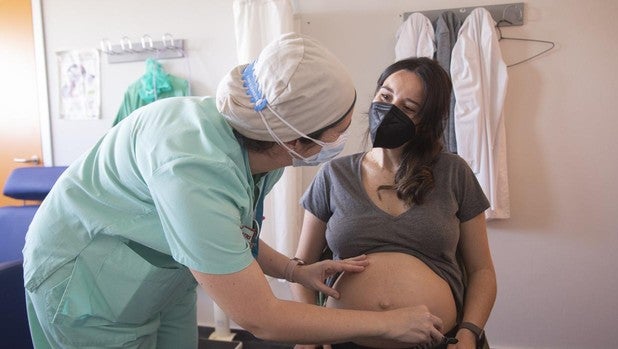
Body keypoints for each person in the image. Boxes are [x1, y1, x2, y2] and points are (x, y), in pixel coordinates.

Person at [22, 33, 446, 349]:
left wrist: (294, 270)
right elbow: (262, 319)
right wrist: (385, 322)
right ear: (297, 142)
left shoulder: (262, 145)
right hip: (88, 285)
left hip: (163, 277)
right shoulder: (193, 167)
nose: (344, 138)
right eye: (337, 131)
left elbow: (233, 233)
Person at [291, 57, 497, 349]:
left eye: (408, 108)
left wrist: (468, 333)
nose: (389, 111)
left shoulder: (454, 173)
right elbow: (302, 266)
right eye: (385, 97)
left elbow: (482, 271)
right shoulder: (334, 174)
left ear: (427, 121)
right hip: (343, 340)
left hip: (435, 341)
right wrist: (308, 334)